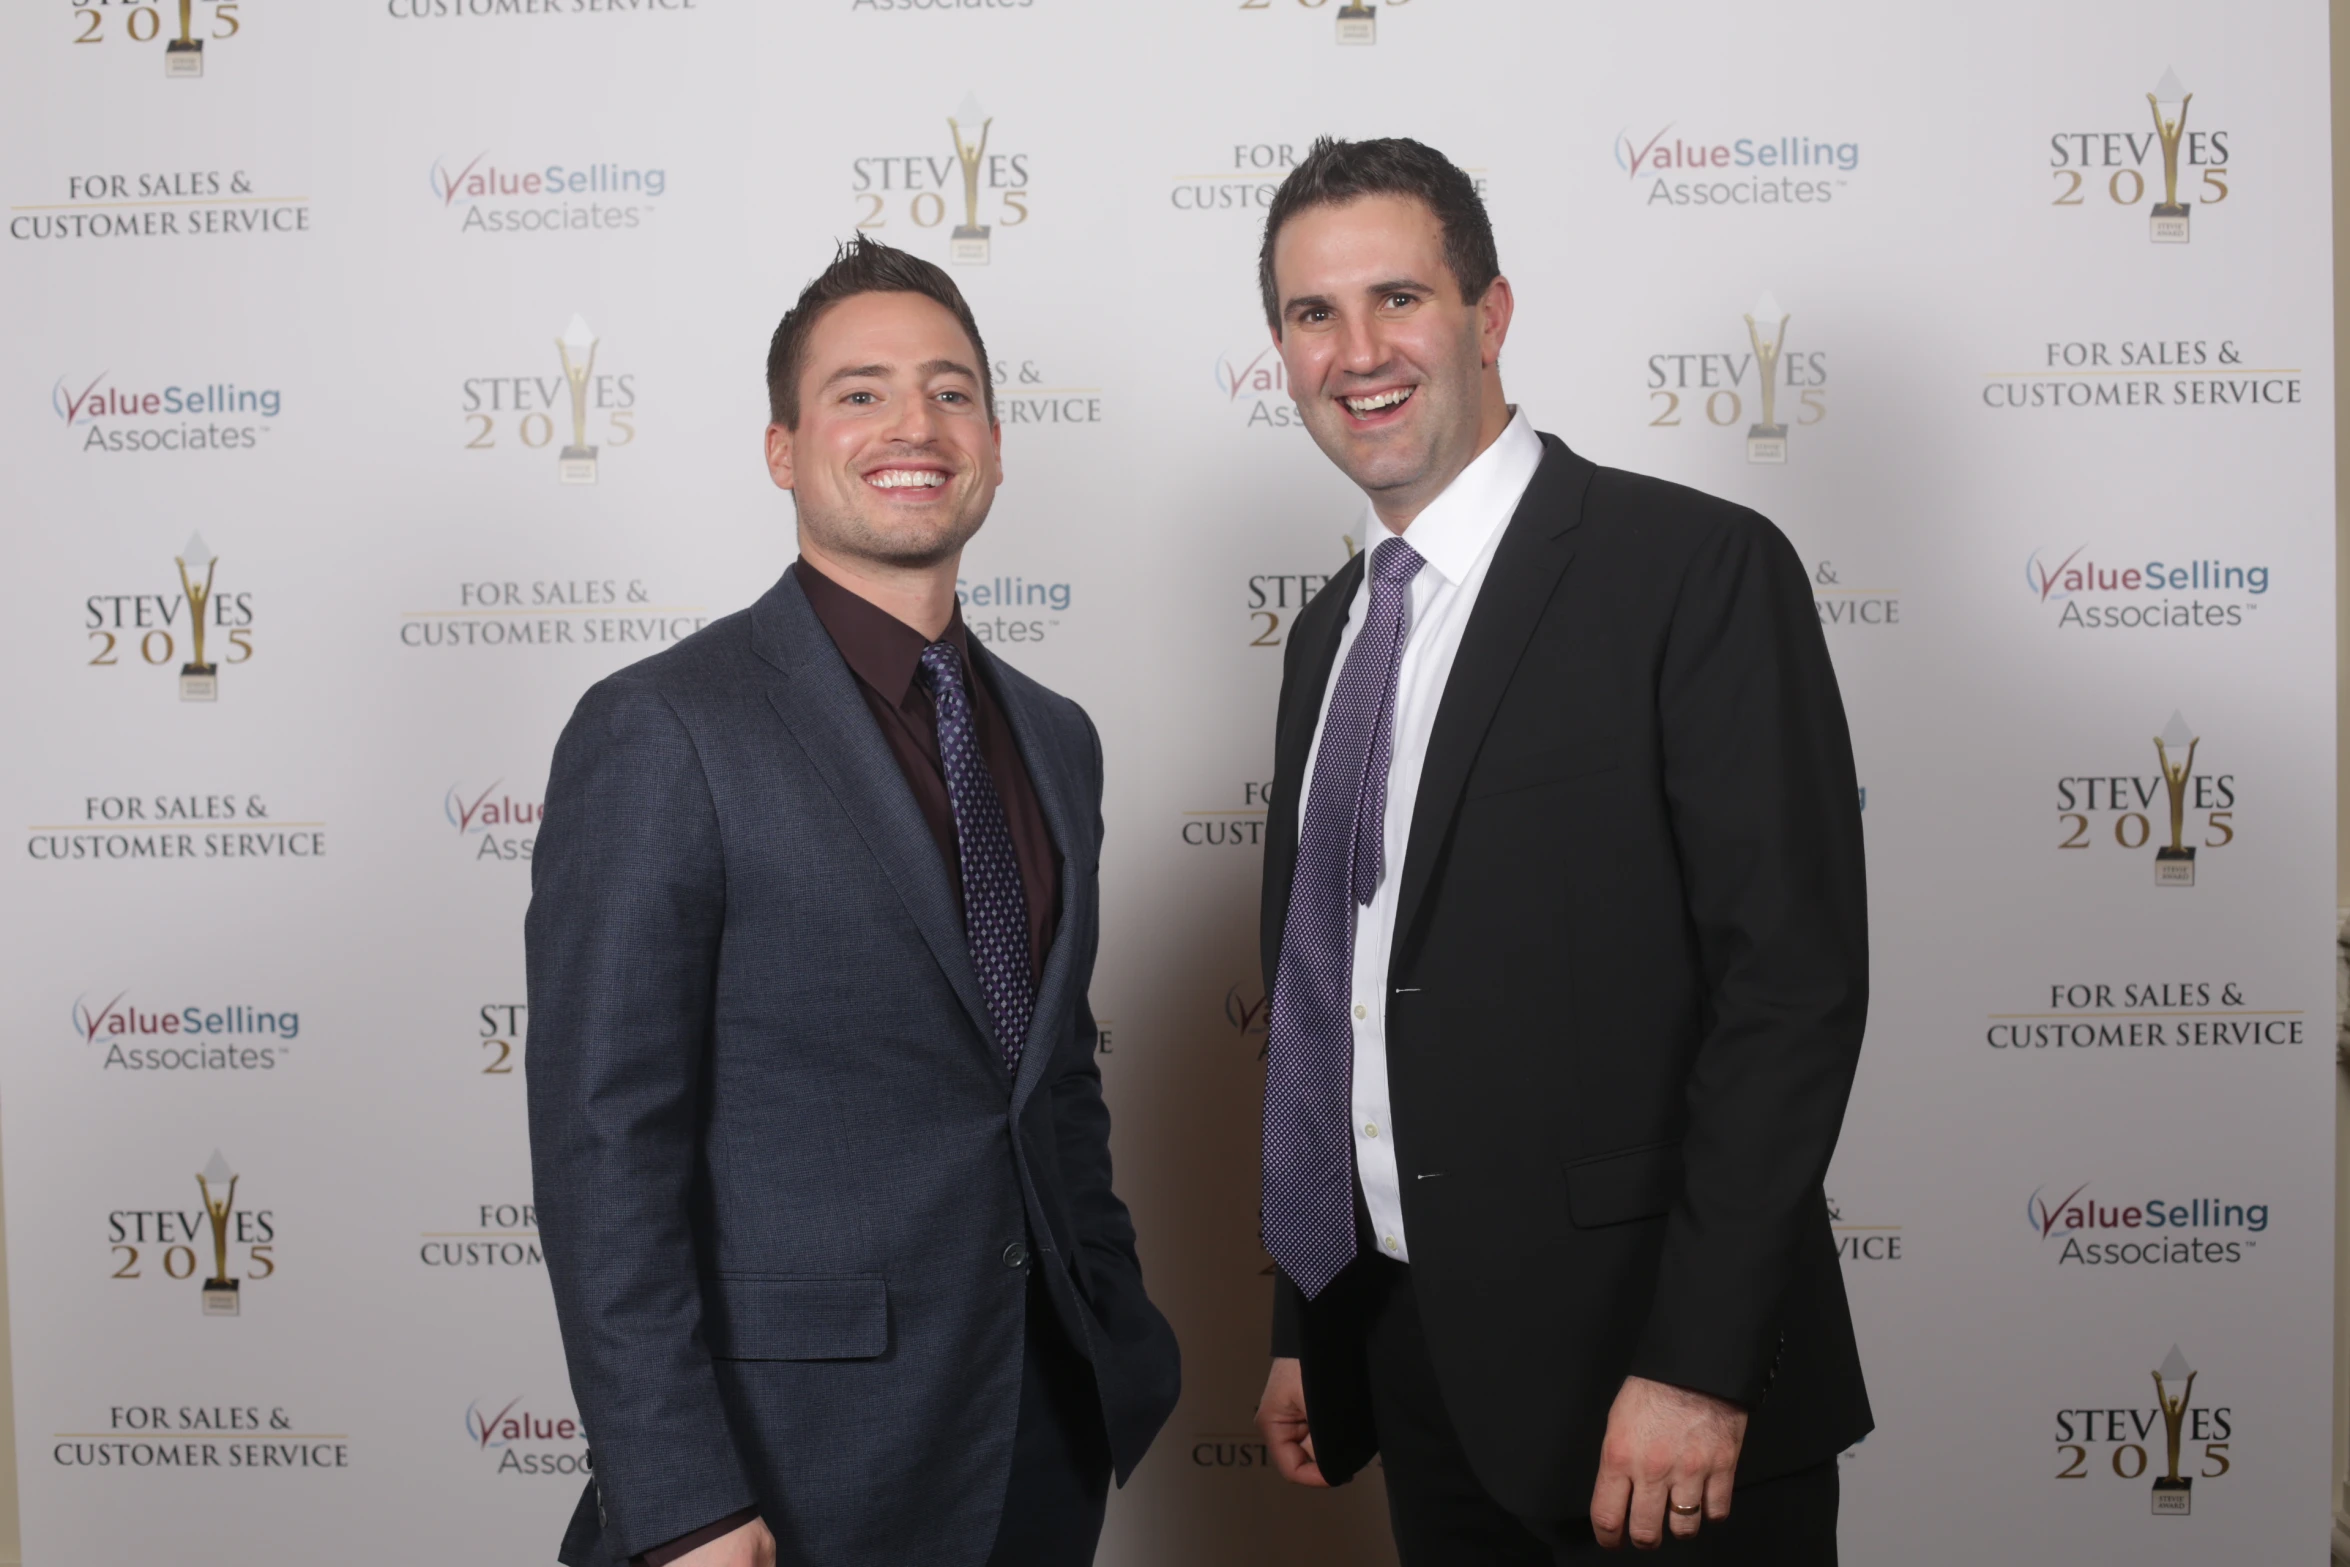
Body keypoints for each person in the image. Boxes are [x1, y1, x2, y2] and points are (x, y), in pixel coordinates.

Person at [1249, 137, 1871, 1563]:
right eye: (1310, 314)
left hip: (1648, 1396)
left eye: (1397, 297)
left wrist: (1698, 1365)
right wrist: (1310, 1315)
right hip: (1417, 1376)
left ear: (1489, 314)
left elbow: (1788, 995)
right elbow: (1319, 995)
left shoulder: (1694, 572)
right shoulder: (1325, 635)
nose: (1358, 351)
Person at [526, 236, 1179, 1567]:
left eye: (949, 390)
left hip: (1038, 1442)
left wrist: (1111, 1330)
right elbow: (606, 1151)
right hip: (785, 1461)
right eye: (860, 391)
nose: (913, 424)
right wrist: (681, 1497)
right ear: (783, 448)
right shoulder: (663, 729)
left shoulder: (1056, 738)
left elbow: (1047, 1083)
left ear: (992, 441)